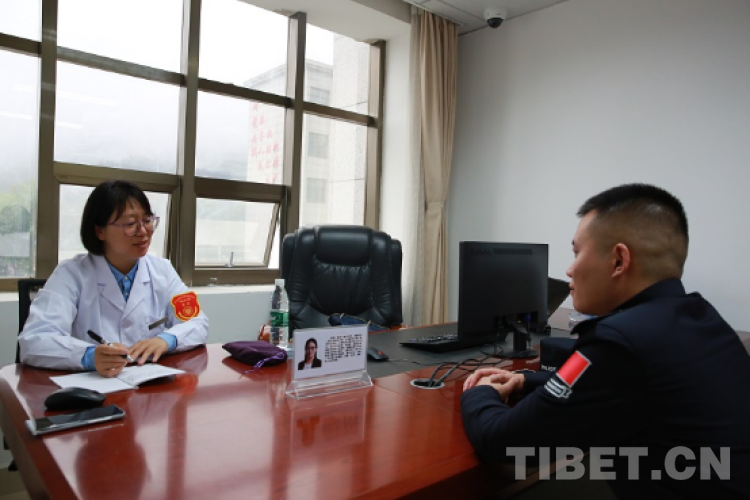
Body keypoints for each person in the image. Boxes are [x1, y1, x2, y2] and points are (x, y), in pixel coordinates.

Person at [461, 184, 750, 498]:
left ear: (618, 261)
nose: (569, 270)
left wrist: (480, 392)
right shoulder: (700, 317)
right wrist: (524, 380)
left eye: (576, 252)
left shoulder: (619, 340)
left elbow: (504, 442)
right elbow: (615, 384)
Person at [19, 180, 208, 377]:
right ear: (100, 231)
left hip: (149, 384)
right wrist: (88, 356)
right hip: (93, 387)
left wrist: (167, 340)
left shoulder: (163, 271)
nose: (143, 231)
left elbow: (198, 321)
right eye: (130, 224)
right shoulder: (70, 274)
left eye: (147, 220)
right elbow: (34, 340)